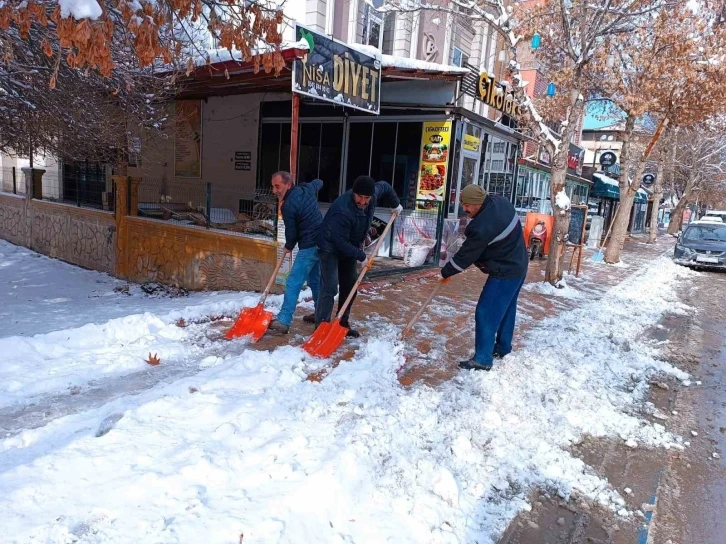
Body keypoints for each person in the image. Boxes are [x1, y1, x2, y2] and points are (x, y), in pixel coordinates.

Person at [441, 184, 528, 371]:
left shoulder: (482, 226)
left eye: (467, 205)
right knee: (505, 308)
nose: (464, 209)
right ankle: (503, 348)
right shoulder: (500, 202)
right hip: (519, 265)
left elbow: (465, 256)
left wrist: (446, 271)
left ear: (478, 203)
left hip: (505, 271)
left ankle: (482, 359)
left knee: (485, 312)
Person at [315, 175, 403, 338]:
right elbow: (339, 241)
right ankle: (321, 326)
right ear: (353, 193)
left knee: (350, 285)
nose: (362, 202)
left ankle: (342, 322)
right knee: (331, 286)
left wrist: (395, 204)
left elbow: (384, 185)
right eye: (359, 197)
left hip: (350, 246)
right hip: (329, 247)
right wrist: (361, 256)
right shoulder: (342, 210)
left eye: (366, 198)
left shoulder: (373, 194)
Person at [268, 171, 323, 334]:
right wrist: (317, 184)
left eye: (277, 186)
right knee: (315, 281)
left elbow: (291, 233)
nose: (274, 191)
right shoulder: (307, 188)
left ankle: (284, 321)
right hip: (324, 242)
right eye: (273, 187)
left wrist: (289, 246)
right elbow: (318, 181)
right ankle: (321, 314)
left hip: (310, 244)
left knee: (293, 281)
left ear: (288, 184)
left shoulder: (288, 206)